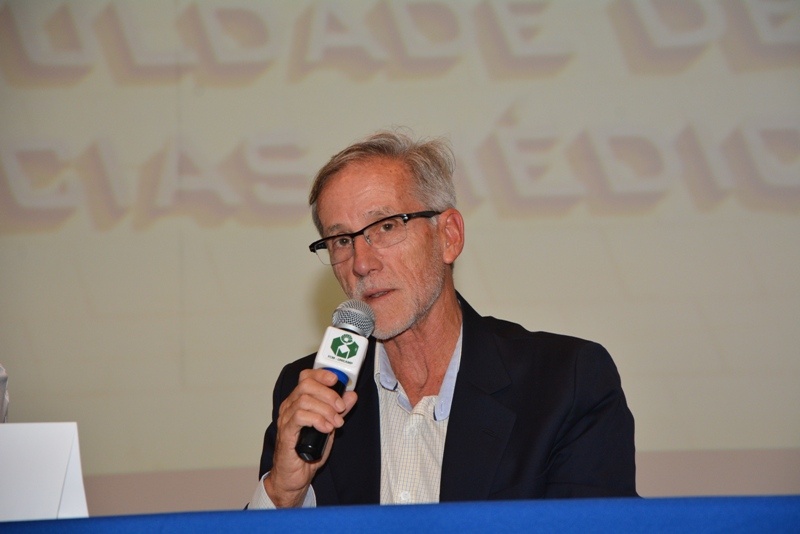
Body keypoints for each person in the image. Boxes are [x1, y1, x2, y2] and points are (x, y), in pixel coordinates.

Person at [250, 129, 637, 508]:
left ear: (448, 236)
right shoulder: (312, 393)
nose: (362, 263)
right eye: (341, 241)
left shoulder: (564, 381)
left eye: (386, 226)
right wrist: (285, 490)